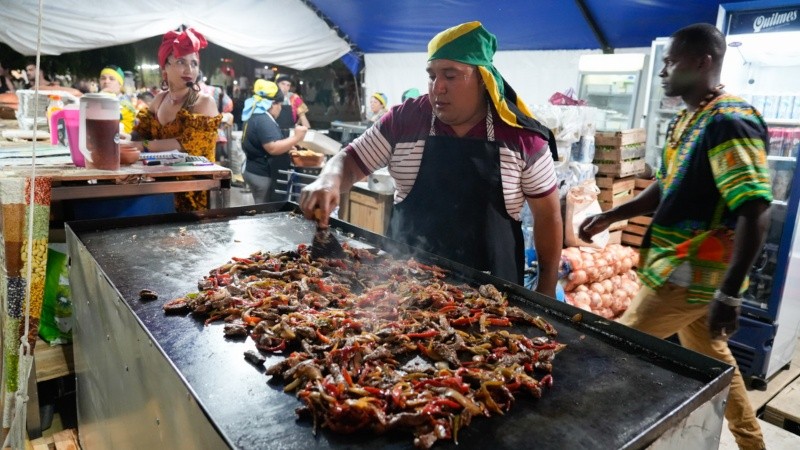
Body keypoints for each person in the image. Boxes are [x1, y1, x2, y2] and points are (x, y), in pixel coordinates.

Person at [579, 23, 770, 450]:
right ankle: (753, 443)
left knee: (619, 346)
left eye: (671, 61)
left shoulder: (730, 122)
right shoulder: (689, 118)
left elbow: (754, 210)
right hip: (675, 263)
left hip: (691, 269)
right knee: (713, 356)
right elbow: (668, 185)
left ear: (703, 61)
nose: (663, 70)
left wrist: (731, 293)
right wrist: (614, 213)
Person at [299, 22, 562, 296]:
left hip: (493, 291)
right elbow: (351, 160)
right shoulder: (404, 120)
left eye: (450, 76)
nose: (438, 88)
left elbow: (548, 216)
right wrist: (328, 180)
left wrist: (546, 293)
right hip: (405, 286)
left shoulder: (522, 137)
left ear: (483, 79)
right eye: (432, 75)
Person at [127, 27, 221, 212]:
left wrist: (144, 145)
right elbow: (139, 133)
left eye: (194, 63)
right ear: (165, 68)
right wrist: (125, 139)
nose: (189, 69)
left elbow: (185, 144)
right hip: (159, 188)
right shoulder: (159, 99)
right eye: (180, 62)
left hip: (193, 193)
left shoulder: (202, 102)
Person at [241, 79, 307, 203]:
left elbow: (269, 142)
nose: (281, 108)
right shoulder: (263, 119)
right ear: (271, 104)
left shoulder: (254, 114)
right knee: (264, 213)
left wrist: (287, 146)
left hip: (252, 169)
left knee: (260, 208)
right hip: (262, 173)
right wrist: (296, 138)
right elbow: (272, 148)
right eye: (279, 104)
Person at [98, 65, 137, 134]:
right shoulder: (94, 101)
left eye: (112, 79)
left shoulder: (126, 105)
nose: (106, 81)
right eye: (103, 78)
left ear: (120, 84)